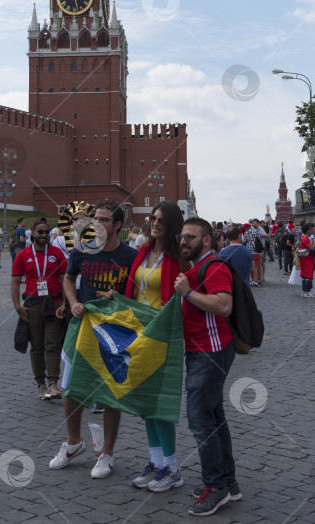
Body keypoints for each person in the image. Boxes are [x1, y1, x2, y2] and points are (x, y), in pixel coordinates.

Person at [48, 199, 137, 479]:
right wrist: (72, 300)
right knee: (72, 387)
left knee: (112, 390)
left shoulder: (129, 256)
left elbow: (137, 292)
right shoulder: (82, 250)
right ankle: (74, 442)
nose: (96, 223)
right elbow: (68, 278)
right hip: (84, 324)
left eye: (103, 220)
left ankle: (107, 453)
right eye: (94, 219)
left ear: (118, 225)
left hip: (115, 330)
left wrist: (119, 299)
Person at [173, 217, 241, 517]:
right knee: (214, 417)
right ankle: (229, 483)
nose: (184, 241)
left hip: (210, 353)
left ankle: (215, 488)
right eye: (182, 237)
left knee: (201, 421)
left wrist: (188, 292)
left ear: (207, 240)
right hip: (204, 351)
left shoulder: (214, 267)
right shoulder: (197, 267)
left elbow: (224, 306)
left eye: (190, 237)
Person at [124, 201, 188, 493]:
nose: (155, 222)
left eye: (161, 219)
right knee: (146, 402)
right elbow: (134, 289)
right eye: (153, 217)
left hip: (162, 336)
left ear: (171, 223)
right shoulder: (143, 252)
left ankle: (172, 469)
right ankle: (155, 462)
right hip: (138, 335)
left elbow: (184, 296)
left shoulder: (177, 259)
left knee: (160, 404)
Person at [11, 217, 68, 399]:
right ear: (32, 233)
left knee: (53, 343)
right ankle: (41, 385)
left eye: (46, 232)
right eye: (40, 232)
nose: (44, 235)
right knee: (36, 345)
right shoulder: (23, 255)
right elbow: (15, 282)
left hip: (55, 303)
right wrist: (17, 306)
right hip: (33, 304)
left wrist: (66, 303)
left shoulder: (56, 254)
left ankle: (53, 384)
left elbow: (64, 279)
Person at [243, 219, 267, 286]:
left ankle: (251, 281)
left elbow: (244, 241)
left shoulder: (247, 233)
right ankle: (256, 282)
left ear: (245, 228)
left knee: (250, 267)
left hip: (250, 251)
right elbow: (261, 235)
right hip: (257, 252)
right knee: (256, 267)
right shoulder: (255, 231)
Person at [298, 223, 315, 298]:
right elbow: (311, 248)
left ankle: (304, 291)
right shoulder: (305, 238)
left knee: (304, 275)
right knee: (308, 275)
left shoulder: (303, 237)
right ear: (307, 230)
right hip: (307, 258)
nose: (311, 230)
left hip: (304, 258)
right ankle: (307, 291)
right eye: (310, 229)